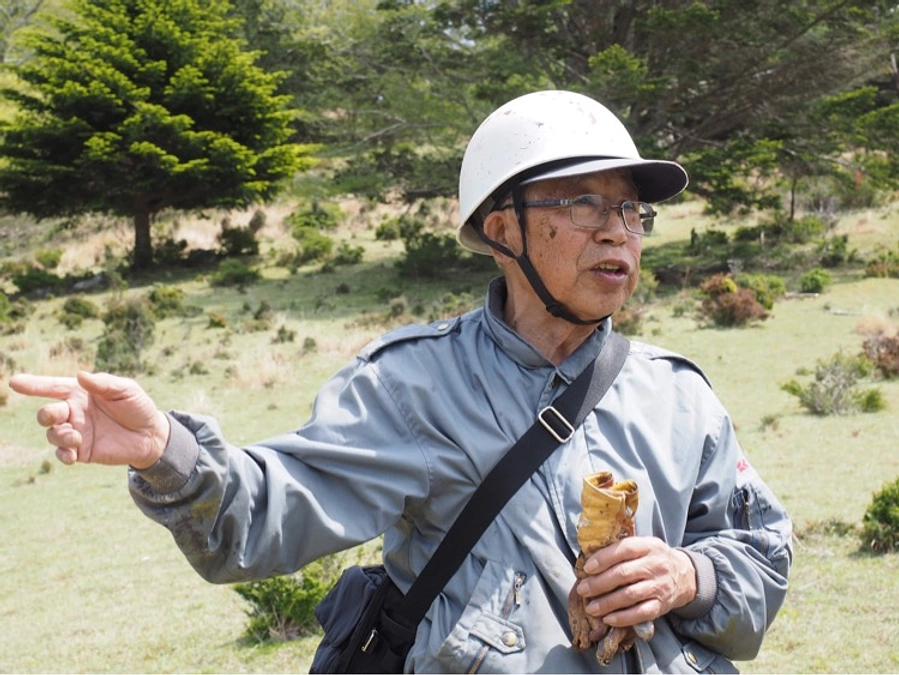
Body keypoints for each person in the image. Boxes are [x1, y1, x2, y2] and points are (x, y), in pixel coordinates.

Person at [9, 90, 792, 673]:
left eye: (630, 212)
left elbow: (760, 551)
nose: (615, 231)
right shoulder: (414, 386)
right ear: (501, 227)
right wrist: (166, 453)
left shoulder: (676, 394)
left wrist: (692, 573)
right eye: (584, 201)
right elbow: (264, 514)